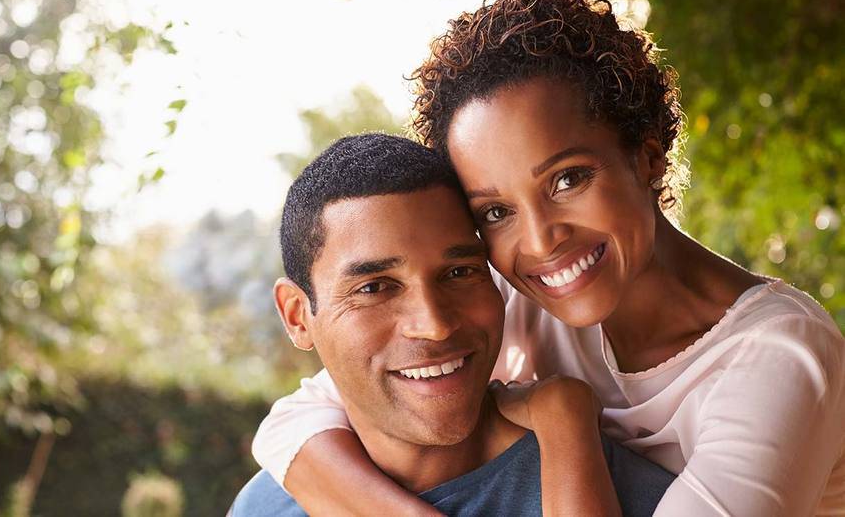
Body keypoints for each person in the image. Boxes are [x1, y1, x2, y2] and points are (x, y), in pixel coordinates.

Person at [251, 0, 845, 516]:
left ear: (645, 156)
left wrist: (565, 421)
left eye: (568, 180)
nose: (539, 242)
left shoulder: (777, 357)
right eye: (497, 211)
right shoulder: (525, 291)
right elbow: (299, 417)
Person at [230, 134, 675, 517]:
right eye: (374, 288)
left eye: (460, 273)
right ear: (296, 316)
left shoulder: (634, 498)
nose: (435, 325)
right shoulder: (265, 505)